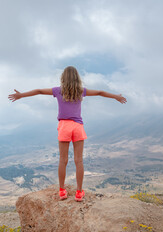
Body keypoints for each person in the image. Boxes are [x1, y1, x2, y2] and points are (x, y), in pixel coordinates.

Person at [8, 66, 126, 202]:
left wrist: (21, 95)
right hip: (77, 127)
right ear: (77, 78)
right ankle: (79, 192)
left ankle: (62, 191)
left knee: (63, 160)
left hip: (64, 126)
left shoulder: (59, 91)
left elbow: (39, 91)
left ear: (63, 78)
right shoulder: (81, 91)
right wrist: (116, 97)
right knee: (79, 160)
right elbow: (99, 92)